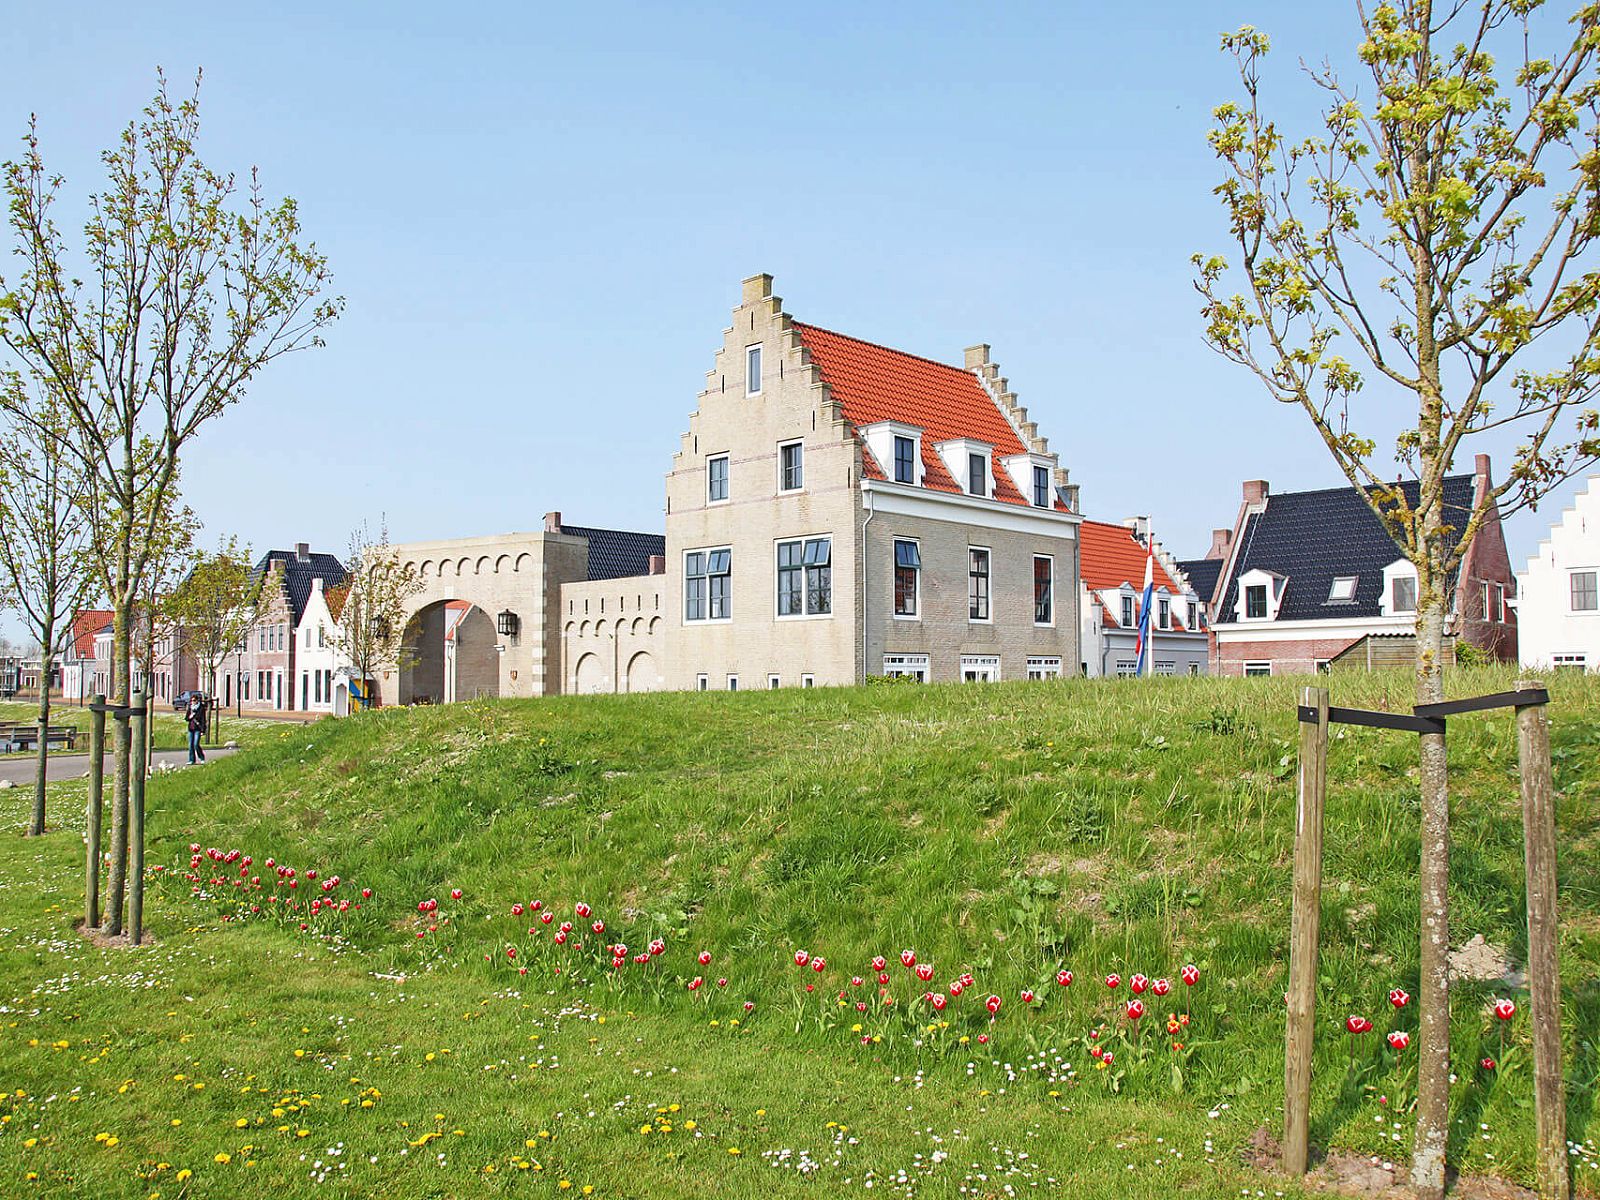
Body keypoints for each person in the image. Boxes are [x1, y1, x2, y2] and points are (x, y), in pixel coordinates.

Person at [185, 692, 208, 765]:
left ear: (197, 700)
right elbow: (186, 718)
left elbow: (203, 720)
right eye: (192, 701)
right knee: (190, 745)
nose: (193, 702)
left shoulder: (201, 708)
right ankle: (191, 760)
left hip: (197, 729)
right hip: (191, 728)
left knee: (196, 744)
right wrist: (190, 717)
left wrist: (203, 730)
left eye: (194, 700)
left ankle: (201, 757)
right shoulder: (190, 708)